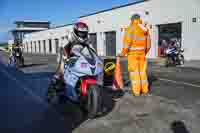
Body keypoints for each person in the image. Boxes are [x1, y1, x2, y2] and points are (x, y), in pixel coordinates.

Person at [53, 22, 95, 102]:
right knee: (62, 66)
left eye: (84, 33)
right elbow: (63, 47)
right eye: (80, 33)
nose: (82, 34)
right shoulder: (69, 37)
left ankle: (79, 84)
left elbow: (91, 49)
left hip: (79, 55)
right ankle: (58, 81)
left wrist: (95, 56)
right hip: (66, 53)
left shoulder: (87, 39)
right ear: (75, 31)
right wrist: (65, 56)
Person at [120, 14, 151, 96]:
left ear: (132, 20)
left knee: (135, 73)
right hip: (142, 54)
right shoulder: (145, 30)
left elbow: (127, 43)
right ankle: (145, 89)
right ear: (139, 19)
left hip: (132, 55)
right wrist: (145, 52)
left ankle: (137, 91)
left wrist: (123, 53)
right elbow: (148, 45)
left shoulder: (130, 29)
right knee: (142, 72)